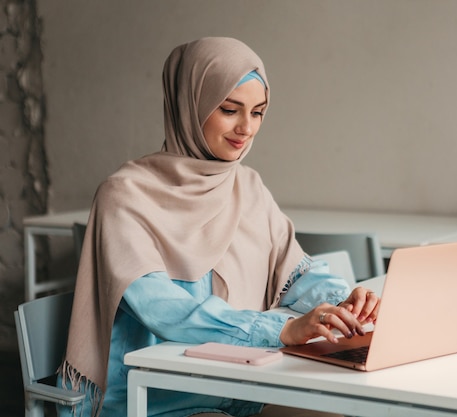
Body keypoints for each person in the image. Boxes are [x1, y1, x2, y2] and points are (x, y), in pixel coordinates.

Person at [58, 37, 380, 417]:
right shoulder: (124, 196)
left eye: (258, 112)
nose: (246, 128)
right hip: (156, 396)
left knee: (359, 409)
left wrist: (343, 304)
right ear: (190, 106)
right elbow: (167, 311)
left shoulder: (247, 185)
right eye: (230, 110)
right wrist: (279, 331)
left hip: (243, 382)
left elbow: (294, 270)